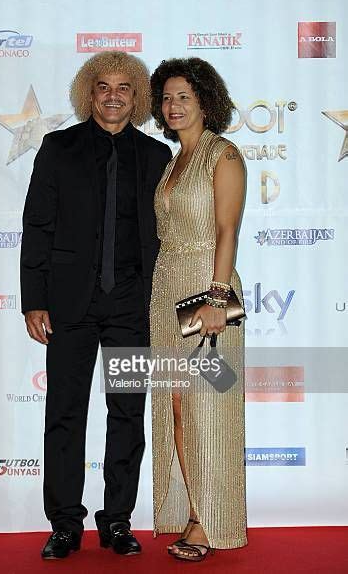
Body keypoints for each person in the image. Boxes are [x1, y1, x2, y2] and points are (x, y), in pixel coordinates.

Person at [20, 51, 172, 559]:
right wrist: (34, 300)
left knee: (127, 415)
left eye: (123, 87)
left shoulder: (156, 157)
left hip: (133, 305)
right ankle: (65, 523)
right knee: (64, 414)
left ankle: (117, 520)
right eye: (102, 86)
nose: (112, 95)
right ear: (89, 93)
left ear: (137, 96)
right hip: (69, 308)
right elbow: (38, 227)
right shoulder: (57, 148)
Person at [149, 58, 247, 562]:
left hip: (208, 293)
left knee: (210, 407)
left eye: (184, 96)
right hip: (168, 291)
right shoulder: (174, 160)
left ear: (206, 101)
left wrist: (216, 297)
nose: (174, 105)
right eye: (167, 97)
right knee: (178, 410)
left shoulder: (222, 155)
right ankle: (194, 512)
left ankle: (213, 521)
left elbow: (227, 229)